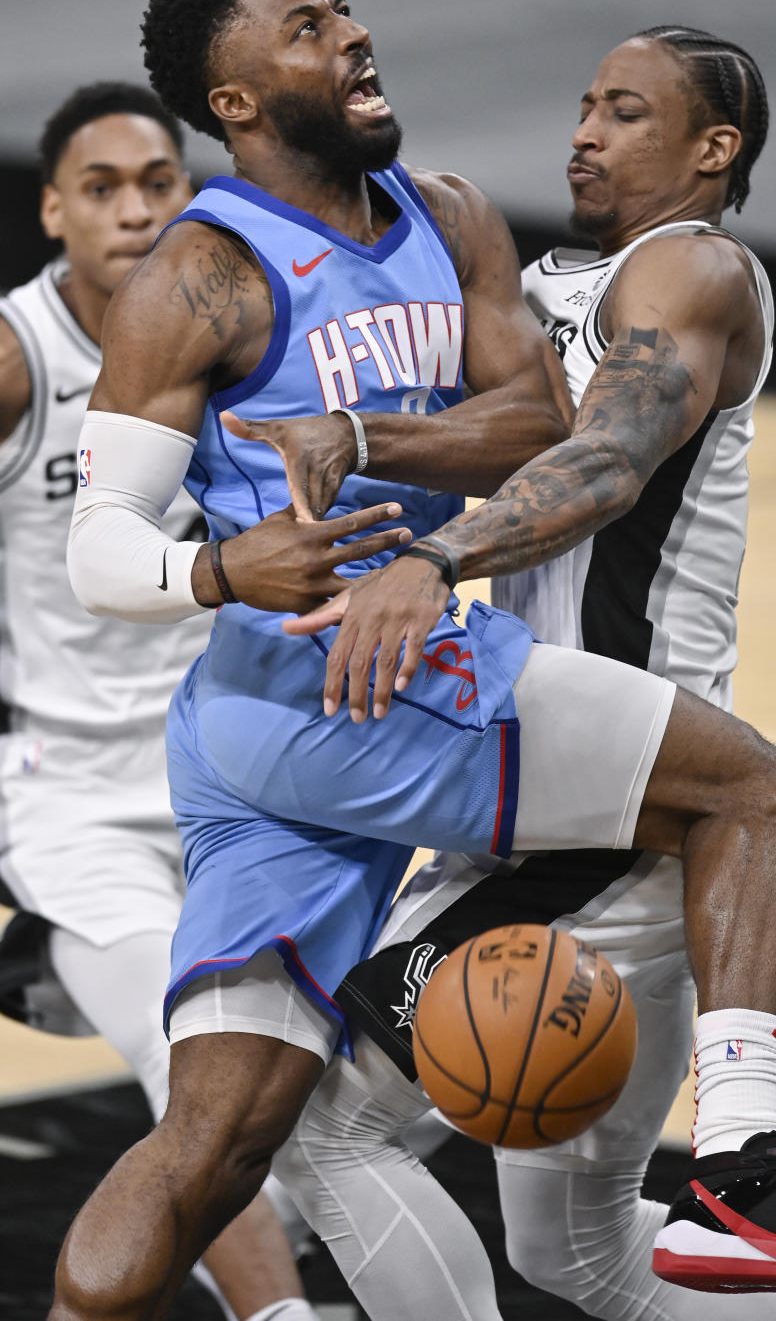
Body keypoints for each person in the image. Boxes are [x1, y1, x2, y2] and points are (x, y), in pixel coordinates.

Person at [52, 0, 776, 1320]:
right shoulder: (209, 275)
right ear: (234, 99)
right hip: (377, 700)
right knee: (763, 785)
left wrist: (388, 479)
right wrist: (220, 568)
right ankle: (750, 1164)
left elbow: (560, 440)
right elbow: (99, 547)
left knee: (254, 1141)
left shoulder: (604, 253)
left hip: (400, 719)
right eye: (306, 24)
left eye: (622, 111)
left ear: (715, 152)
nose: (350, 31)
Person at [266, 26, 776, 1321]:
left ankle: (751, 1142)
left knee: (316, 1125)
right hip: (547, 792)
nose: (582, 129)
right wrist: (359, 434)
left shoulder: (691, 266)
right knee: (577, 1252)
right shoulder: (577, 284)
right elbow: (532, 432)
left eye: (623, 111)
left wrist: (435, 558)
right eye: (582, 104)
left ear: (712, 150)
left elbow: (606, 460)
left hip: (608, 814)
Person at [0, 81, 318, 1321]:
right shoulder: (24, 356)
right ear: (52, 211)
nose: (135, 210)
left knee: (296, 1099)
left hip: (234, 770)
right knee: (186, 1058)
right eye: (102, 187)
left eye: (158, 183)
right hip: (73, 799)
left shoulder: (242, 332)